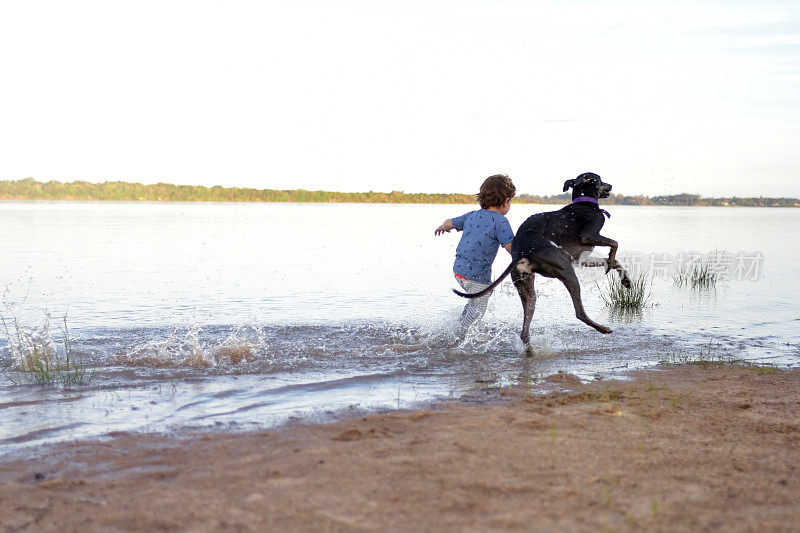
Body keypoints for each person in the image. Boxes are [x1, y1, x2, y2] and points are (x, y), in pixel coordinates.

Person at [434, 174, 516, 332]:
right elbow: (512, 248)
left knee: (476, 301)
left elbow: (448, 223)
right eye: (510, 201)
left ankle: (459, 325)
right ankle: (461, 339)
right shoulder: (500, 221)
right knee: (477, 312)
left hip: (459, 271)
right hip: (476, 276)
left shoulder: (471, 215)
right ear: (506, 201)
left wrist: (442, 227)